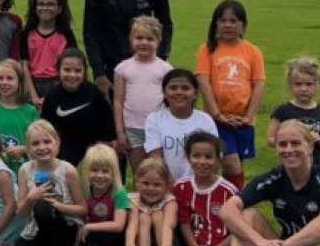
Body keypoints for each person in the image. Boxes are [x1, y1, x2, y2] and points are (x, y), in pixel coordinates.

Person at [0, 120, 85, 246]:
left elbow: (82, 209)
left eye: (47, 141)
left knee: (43, 208)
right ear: (29, 148)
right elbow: (22, 211)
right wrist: (31, 198)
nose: (42, 147)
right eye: (35, 143)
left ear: (57, 142)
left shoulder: (68, 170)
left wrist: (57, 205)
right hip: (35, 228)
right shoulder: (25, 170)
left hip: (64, 226)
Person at [196, 0, 266, 191]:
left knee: (238, 166)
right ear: (215, 24)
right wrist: (218, 115)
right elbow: (204, 83)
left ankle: (233, 204)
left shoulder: (252, 51)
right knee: (230, 163)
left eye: (233, 20)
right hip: (217, 119)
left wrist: (248, 116)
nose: (227, 25)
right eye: (222, 20)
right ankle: (234, 203)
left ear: (243, 24)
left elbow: (258, 85)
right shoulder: (207, 49)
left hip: (243, 120)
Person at [174, 131, 237, 246]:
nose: (202, 162)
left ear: (218, 159)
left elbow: (239, 229)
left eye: (209, 157)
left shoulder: (228, 191)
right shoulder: (181, 188)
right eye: (196, 156)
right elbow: (185, 222)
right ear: (188, 158)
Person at [113, 16, 171, 176]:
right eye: (139, 38)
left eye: (149, 39)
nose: (144, 42)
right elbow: (118, 101)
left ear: (158, 41)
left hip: (158, 129)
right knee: (140, 173)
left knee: (159, 172)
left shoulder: (165, 69)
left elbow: (169, 102)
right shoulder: (123, 68)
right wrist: (120, 132)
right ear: (131, 39)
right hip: (132, 128)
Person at [40, 49, 117, 168]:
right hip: (64, 152)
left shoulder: (94, 93)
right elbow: (46, 128)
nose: (72, 75)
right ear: (58, 71)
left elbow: (107, 120)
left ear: (84, 72)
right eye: (67, 70)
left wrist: (110, 142)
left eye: (77, 71)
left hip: (93, 150)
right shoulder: (52, 97)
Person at [144, 68, 217, 185]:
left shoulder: (205, 120)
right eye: (173, 88)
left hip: (198, 185)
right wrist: (171, 187)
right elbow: (155, 158)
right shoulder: (155, 119)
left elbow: (213, 158)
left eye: (185, 88)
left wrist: (198, 188)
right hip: (166, 186)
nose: (179, 92)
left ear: (195, 93)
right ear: (164, 93)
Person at [267, 55, 320, 166]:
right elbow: (270, 139)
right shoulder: (282, 111)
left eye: (309, 84)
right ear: (290, 85)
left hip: (318, 167)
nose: (303, 89)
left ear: (318, 85)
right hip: (290, 166)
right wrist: (289, 142)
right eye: (298, 84)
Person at [74, 143, 129, 246]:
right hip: (93, 232)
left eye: (105, 171)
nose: (99, 175)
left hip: (113, 234)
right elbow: (79, 219)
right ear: (86, 171)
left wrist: (90, 226)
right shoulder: (85, 190)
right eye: (94, 170)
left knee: (110, 237)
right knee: (87, 244)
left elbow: (119, 225)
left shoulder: (118, 192)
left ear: (114, 172)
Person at [124, 157, 177, 246]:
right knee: (143, 217)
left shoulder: (169, 201)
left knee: (158, 215)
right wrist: (130, 245)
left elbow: (168, 226)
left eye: (157, 185)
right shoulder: (133, 200)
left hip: (167, 245)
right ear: (136, 181)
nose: (151, 189)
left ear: (167, 184)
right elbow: (133, 224)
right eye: (146, 183)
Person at [0, 59, 36, 168]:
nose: (4, 82)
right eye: (0, 78)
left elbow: (39, 141)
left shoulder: (30, 111)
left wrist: (24, 149)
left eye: (10, 78)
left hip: (25, 169)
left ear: (20, 82)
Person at [24, 0, 78, 102]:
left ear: (59, 9)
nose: (45, 8)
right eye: (41, 4)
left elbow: (73, 65)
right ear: (34, 8)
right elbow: (24, 67)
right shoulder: (26, 33)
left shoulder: (66, 34)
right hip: (32, 85)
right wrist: (33, 96)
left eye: (50, 4)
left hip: (59, 84)